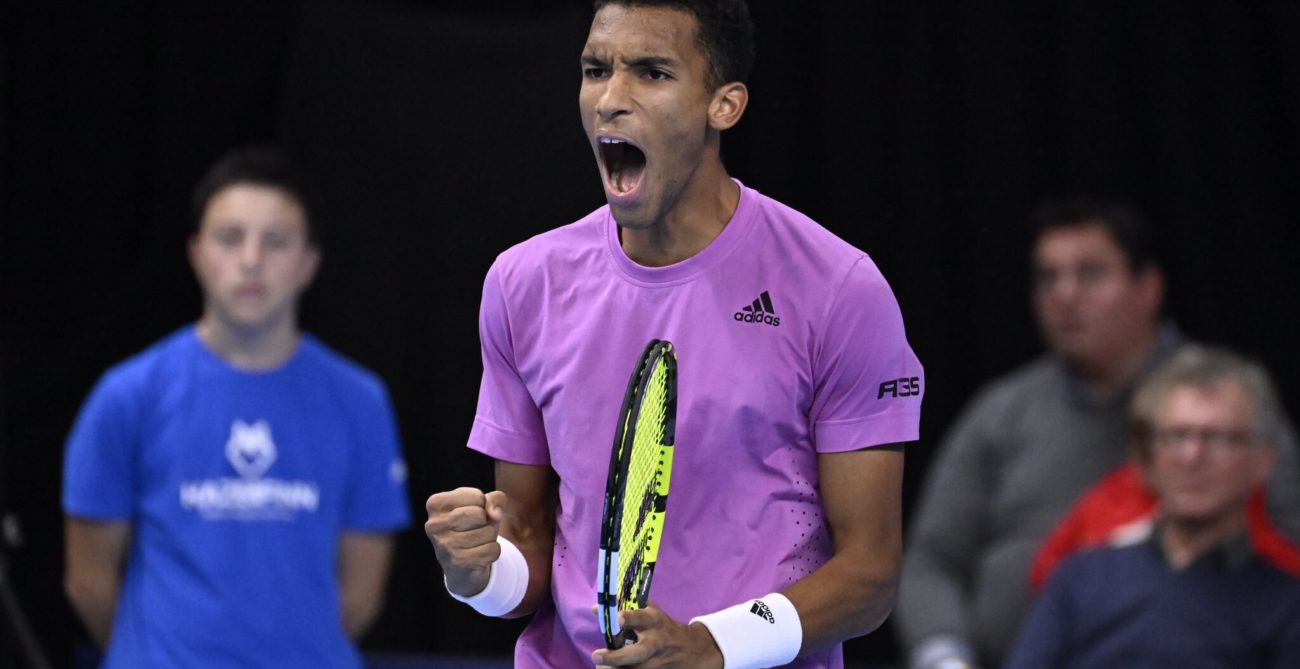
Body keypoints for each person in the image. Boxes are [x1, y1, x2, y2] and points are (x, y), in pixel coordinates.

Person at [424, 2, 924, 668]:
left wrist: (715, 645)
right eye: (596, 70)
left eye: (652, 73)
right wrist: (479, 574)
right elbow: (531, 541)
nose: (610, 100)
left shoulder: (839, 289)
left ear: (725, 104)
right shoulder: (523, 283)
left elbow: (870, 573)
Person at [894, 198, 1300, 669]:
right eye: (1048, 278)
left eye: (1090, 274)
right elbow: (931, 559)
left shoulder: (1226, 403)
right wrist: (946, 657)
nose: (1064, 296)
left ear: (1149, 287)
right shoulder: (1000, 412)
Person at [61, 146, 411, 668]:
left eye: (275, 241)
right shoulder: (126, 396)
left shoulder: (361, 402)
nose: (250, 259)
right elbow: (88, 580)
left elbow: (361, 596)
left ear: (309, 263)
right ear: (197, 254)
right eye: (230, 238)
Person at [1004, 346, 1300, 669]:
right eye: (1175, 437)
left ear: (1262, 460)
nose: (1192, 457)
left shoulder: (1286, 606)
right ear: (1147, 460)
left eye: (1217, 438)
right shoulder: (1080, 579)